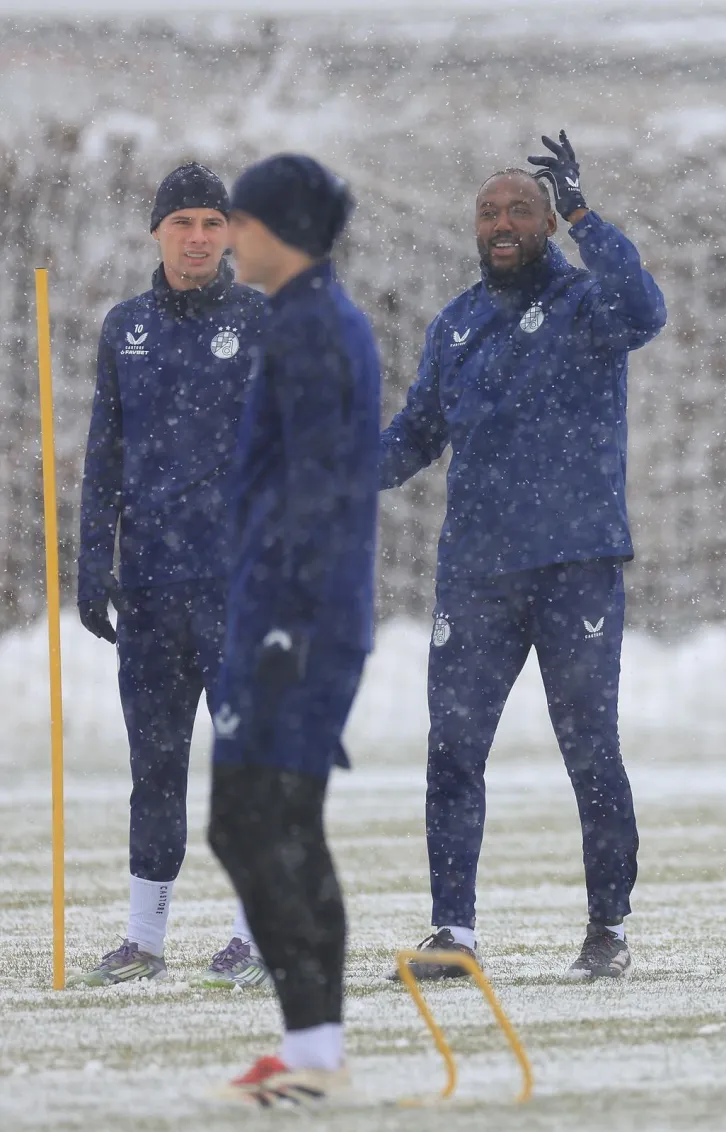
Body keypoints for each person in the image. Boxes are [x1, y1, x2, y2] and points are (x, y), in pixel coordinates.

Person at [382, 131, 667, 982]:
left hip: (576, 564)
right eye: (488, 212)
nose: (501, 222)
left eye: (519, 210)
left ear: (545, 223)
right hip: (476, 574)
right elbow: (416, 434)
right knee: (452, 749)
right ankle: (453, 933)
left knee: (590, 748)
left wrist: (585, 214)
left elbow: (647, 309)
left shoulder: (588, 303)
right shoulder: (455, 324)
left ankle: (607, 928)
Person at [207, 154, 380, 1108]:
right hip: (284, 612)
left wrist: (290, 624)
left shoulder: (315, 327)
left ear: (279, 229)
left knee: (253, 823)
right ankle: (314, 1052)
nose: (228, 235)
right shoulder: (306, 318)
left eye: (238, 219)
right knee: (272, 825)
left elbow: (321, 490)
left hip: (296, 622)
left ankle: (315, 1054)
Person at [72, 163, 269, 989]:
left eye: (211, 223)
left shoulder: (261, 321)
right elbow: (105, 451)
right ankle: (143, 940)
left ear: (229, 234)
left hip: (238, 586)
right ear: (156, 231)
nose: (196, 237)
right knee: (154, 766)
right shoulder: (126, 327)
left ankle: (254, 937)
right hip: (151, 589)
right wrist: (93, 557)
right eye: (182, 221)